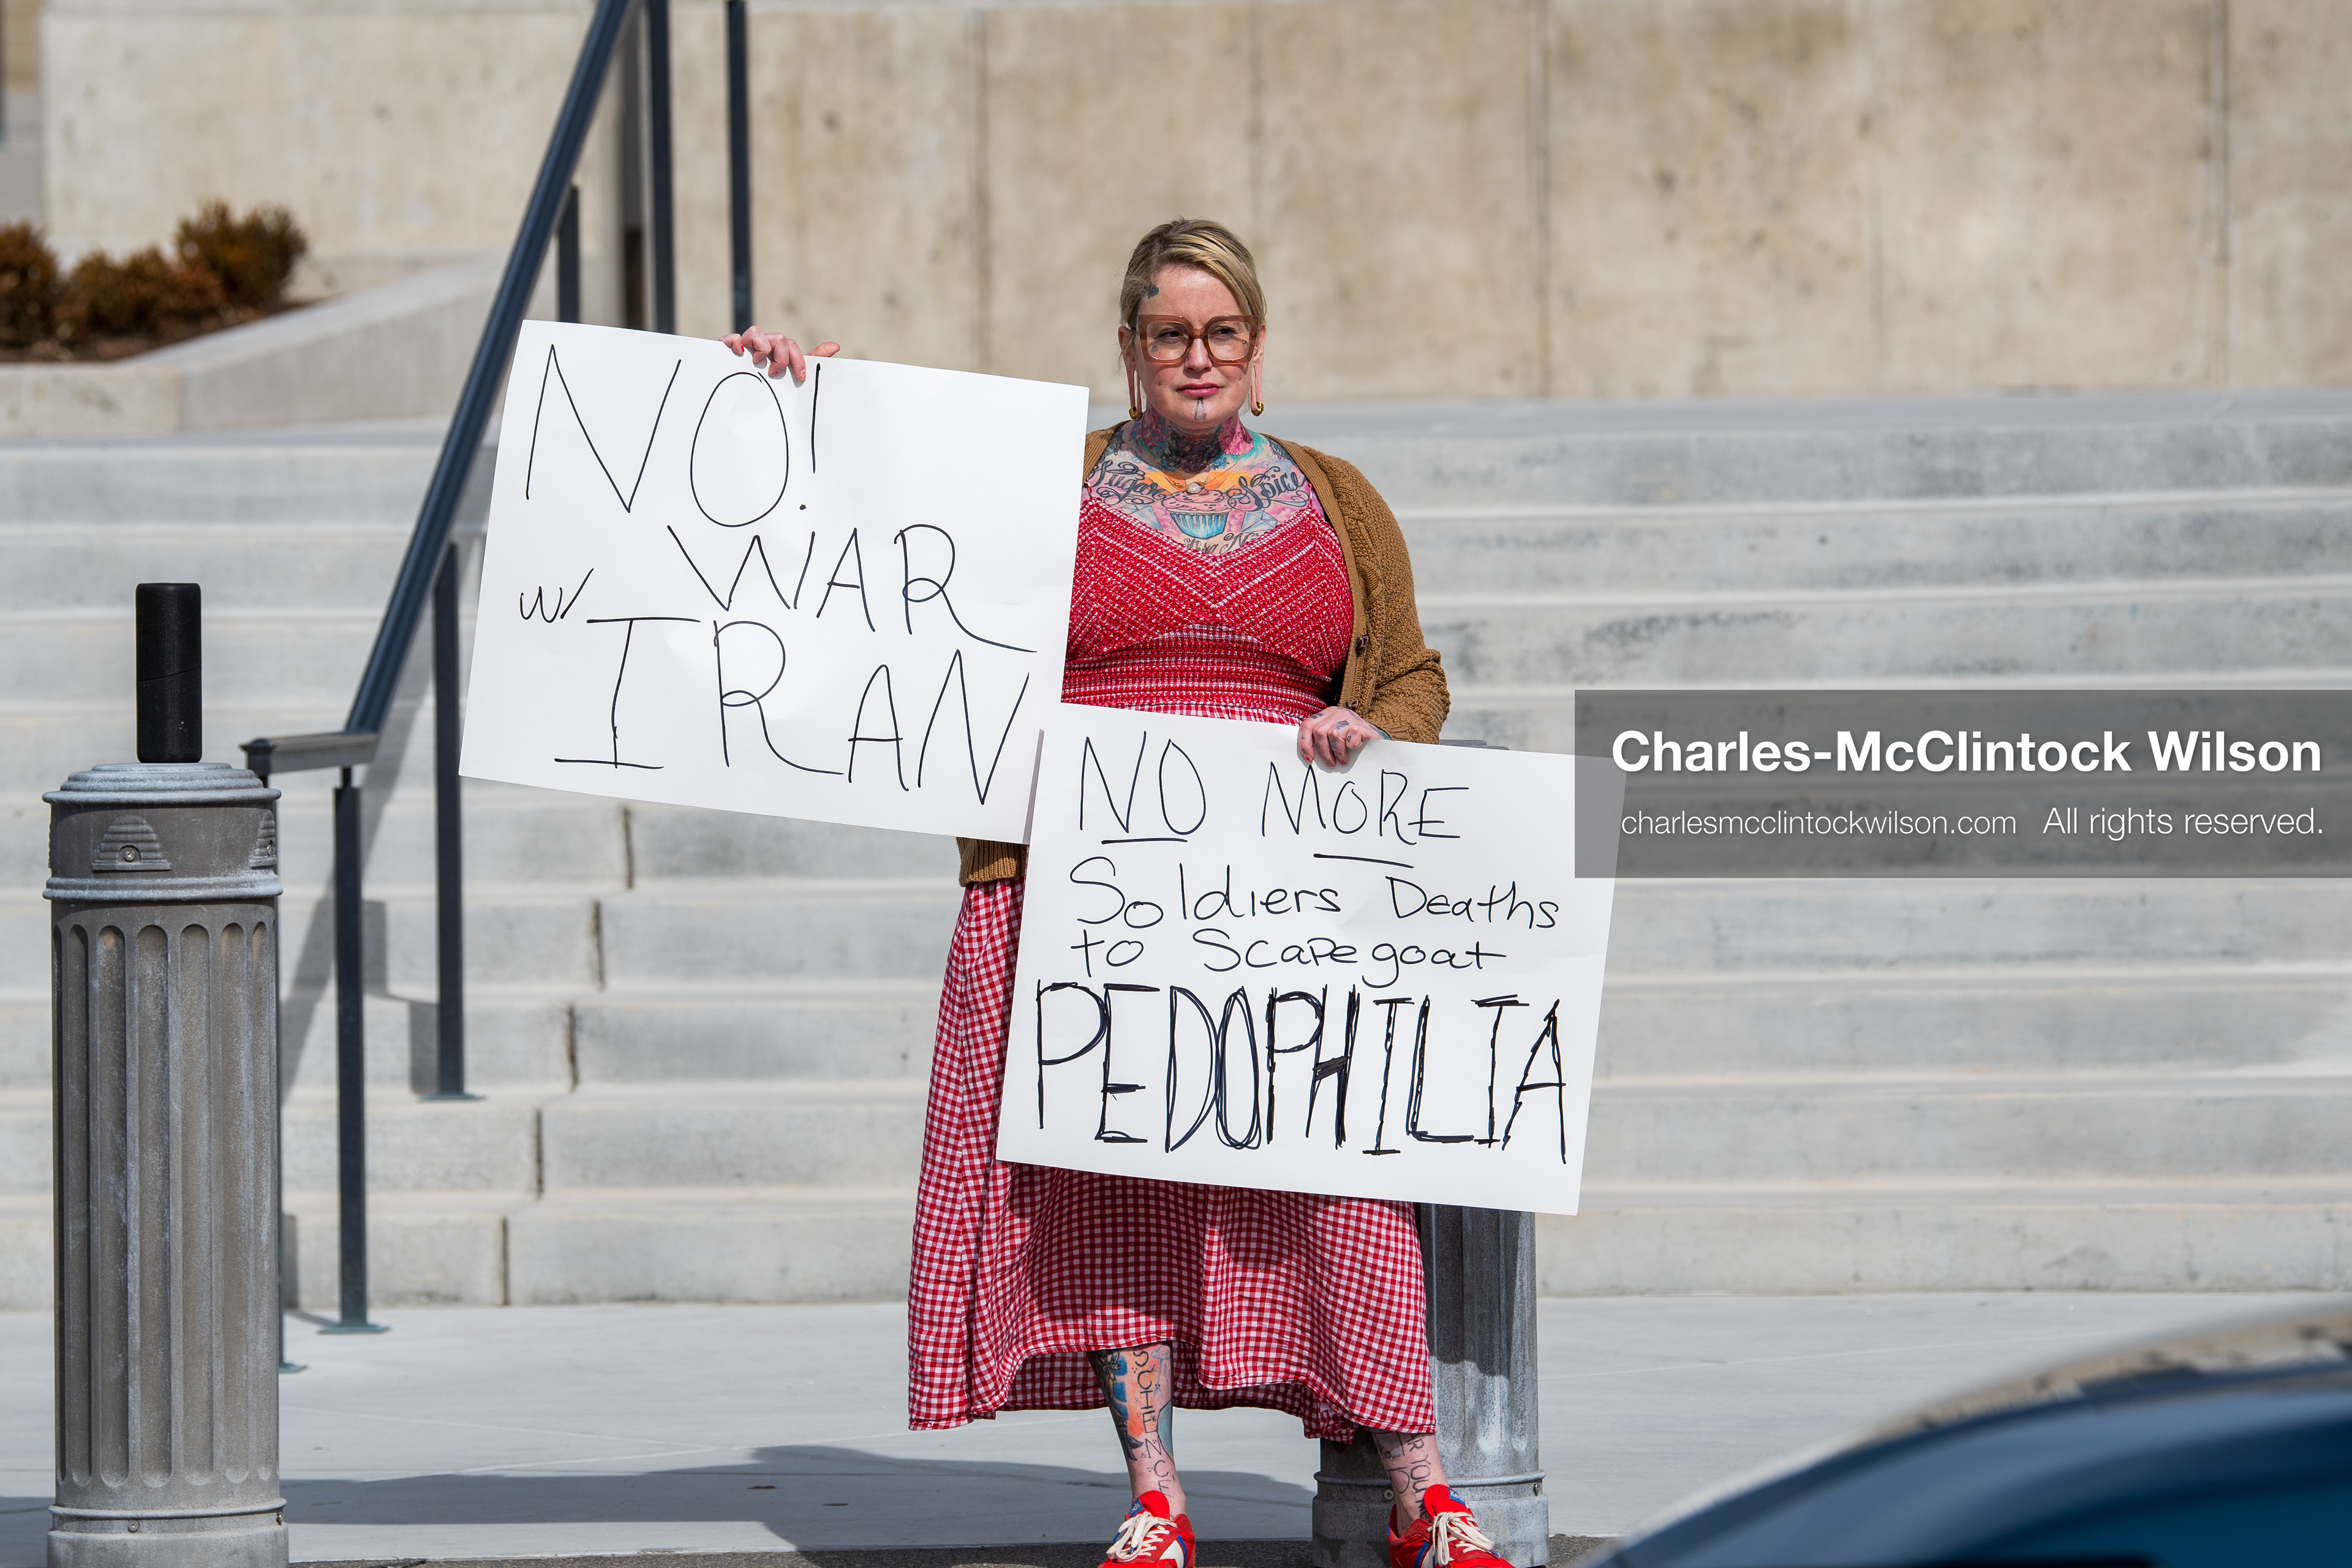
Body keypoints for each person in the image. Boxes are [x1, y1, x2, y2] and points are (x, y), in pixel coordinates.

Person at [725, 219, 1504, 1568]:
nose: (1196, 357)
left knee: (1343, 1187)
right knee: (1117, 1189)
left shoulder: (1340, 497)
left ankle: (1420, 1491)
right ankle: (1156, 1494)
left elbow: (1415, 674)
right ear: (1132, 353)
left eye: (1222, 333)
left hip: (1289, 893)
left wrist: (1376, 731)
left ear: (1257, 351)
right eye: (1168, 334)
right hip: (1097, 887)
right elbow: (874, 551)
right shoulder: (1049, 483)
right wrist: (795, 402)